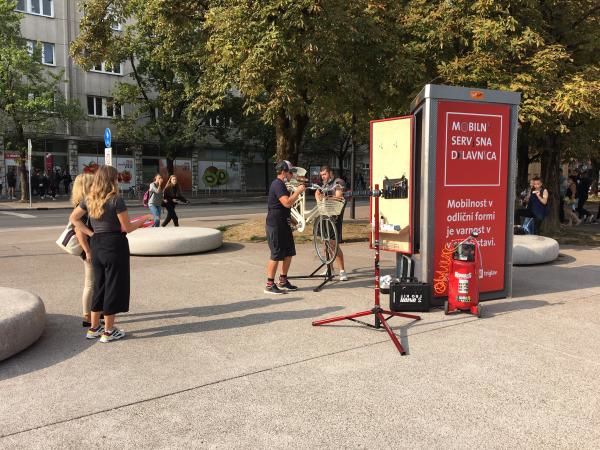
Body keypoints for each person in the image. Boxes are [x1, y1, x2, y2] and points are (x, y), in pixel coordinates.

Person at [69, 165, 152, 343]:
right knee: (113, 286)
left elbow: (74, 218)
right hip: (114, 245)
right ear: (112, 180)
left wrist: (92, 234)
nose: (118, 181)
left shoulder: (89, 199)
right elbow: (127, 227)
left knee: (99, 285)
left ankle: (94, 328)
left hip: (97, 244)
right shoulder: (116, 200)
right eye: (117, 178)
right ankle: (108, 331)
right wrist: (145, 219)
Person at [264, 160, 306, 295]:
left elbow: (283, 208)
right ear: (283, 172)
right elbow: (287, 203)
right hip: (275, 225)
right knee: (276, 255)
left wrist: (294, 221)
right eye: (290, 172)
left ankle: (283, 281)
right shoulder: (277, 184)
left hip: (284, 224)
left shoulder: (282, 185)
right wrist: (298, 191)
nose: (291, 175)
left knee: (288, 253)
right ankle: (269, 285)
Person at [70, 173, 96, 326]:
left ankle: (95, 311)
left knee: (94, 281)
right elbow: (79, 231)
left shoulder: (82, 203)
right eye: (92, 183)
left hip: (89, 247)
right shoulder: (83, 205)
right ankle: (87, 316)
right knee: (90, 283)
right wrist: (87, 250)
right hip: (88, 248)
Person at [315, 165, 348, 281]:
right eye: (321, 175)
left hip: (335, 216)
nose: (323, 177)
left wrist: (324, 198)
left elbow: (338, 196)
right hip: (324, 215)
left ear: (330, 172)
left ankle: (342, 271)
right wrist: (319, 198)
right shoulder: (324, 184)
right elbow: (317, 194)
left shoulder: (338, 182)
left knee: (333, 244)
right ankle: (329, 269)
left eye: (325, 174)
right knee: (325, 242)